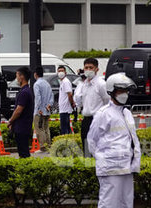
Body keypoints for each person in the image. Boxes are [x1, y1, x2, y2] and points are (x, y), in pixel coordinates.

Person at [87, 73, 141, 208]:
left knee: (126, 202)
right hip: (110, 168)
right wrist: (103, 159)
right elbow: (92, 140)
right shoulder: (103, 114)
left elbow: (133, 139)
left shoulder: (126, 113)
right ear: (112, 91)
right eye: (121, 90)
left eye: (126, 91)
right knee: (109, 203)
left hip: (126, 167)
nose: (125, 94)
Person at [74, 57, 110, 157]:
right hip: (86, 120)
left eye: (91, 67)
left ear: (97, 69)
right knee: (86, 149)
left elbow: (107, 101)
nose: (88, 70)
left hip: (98, 120)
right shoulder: (84, 84)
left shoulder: (101, 84)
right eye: (86, 68)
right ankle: (88, 168)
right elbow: (78, 101)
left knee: (98, 149)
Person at [7, 67, 34, 158]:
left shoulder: (24, 92)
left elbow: (18, 111)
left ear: (22, 77)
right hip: (22, 126)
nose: (16, 79)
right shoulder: (25, 91)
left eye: (17, 76)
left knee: (23, 152)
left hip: (22, 126)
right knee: (23, 151)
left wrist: (10, 121)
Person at [33, 66, 54, 151]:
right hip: (47, 110)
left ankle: (43, 147)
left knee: (39, 128)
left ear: (35, 74)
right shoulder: (47, 83)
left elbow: (38, 98)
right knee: (46, 128)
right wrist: (49, 104)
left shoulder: (37, 84)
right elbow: (52, 95)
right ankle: (48, 145)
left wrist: (38, 109)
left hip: (40, 111)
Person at [57, 66, 76, 134]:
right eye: (59, 71)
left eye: (62, 71)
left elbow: (70, 94)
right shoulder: (62, 82)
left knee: (64, 129)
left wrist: (72, 103)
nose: (60, 72)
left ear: (65, 72)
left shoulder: (66, 82)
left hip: (65, 109)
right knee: (65, 127)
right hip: (63, 108)